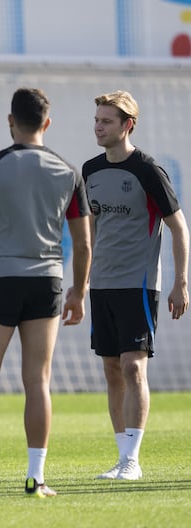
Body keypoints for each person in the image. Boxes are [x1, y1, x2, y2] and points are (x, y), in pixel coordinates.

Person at [0, 88, 92, 500]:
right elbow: (83, 245)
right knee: (38, 381)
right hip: (46, 282)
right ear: (47, 123)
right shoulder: (69, 170)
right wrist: (78, 293)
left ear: (10, 120)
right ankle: (36, 478)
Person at [83, 90, 189, 481]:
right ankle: (121, 457)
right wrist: (80, 284)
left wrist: (181, 282)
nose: (98, 126)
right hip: (102, 286)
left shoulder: (147, 170)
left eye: (106, 120)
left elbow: (179, 228)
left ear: (128, 125)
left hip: (139, 285)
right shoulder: (90, 170)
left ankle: (133, 460)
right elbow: (88, 233)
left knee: (132, 367)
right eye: (96, 119)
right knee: (112, 369)